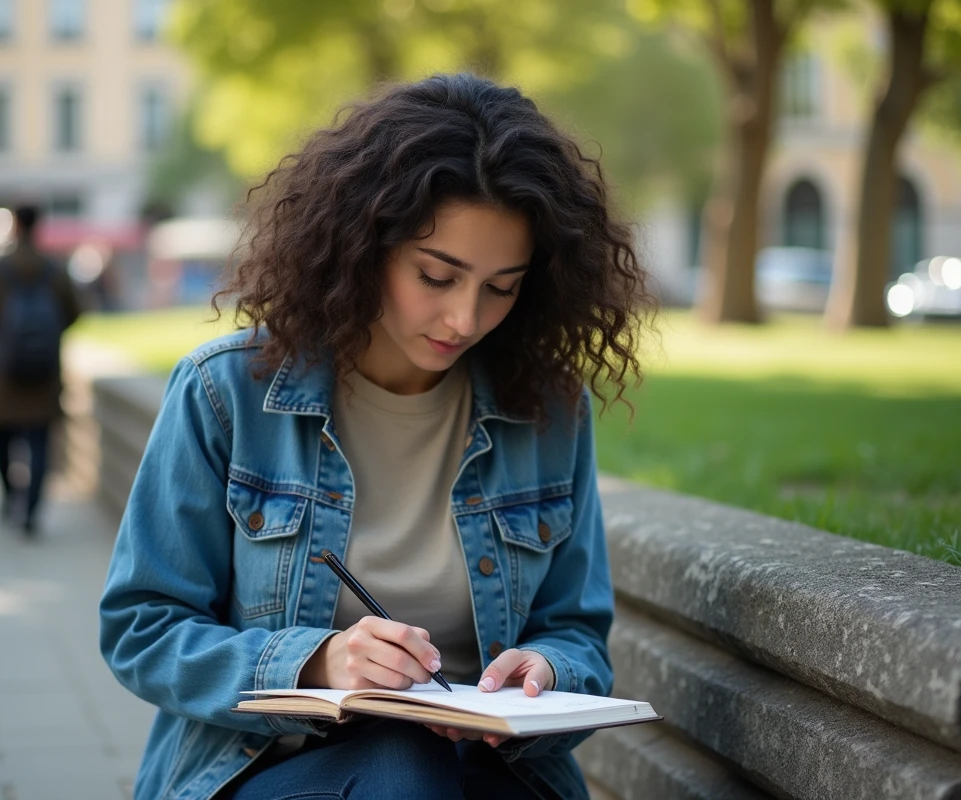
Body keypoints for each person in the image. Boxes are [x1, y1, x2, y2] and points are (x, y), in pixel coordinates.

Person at [99, 74, 650, 800]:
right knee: (401, 767)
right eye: (437, 275)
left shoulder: (550, 411)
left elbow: (577, 633)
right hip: (269, 769)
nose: (464, 318)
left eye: (501, 286)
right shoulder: (226, 392)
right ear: (365, 243)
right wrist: (316, 662)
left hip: (489, 772)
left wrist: (547, 673)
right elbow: (142, 628)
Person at [0, 204, 81, 535]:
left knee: (2, 440)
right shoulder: (54, 270)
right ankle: (31, 511)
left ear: (14, 226)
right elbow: (74, 312)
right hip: (43, 371)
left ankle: (9, 496)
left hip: (3, 371)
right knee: (40, 442)